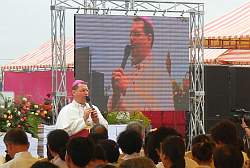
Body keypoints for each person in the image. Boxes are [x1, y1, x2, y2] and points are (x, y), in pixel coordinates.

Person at [109, 16, 174, 112]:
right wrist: (116, 94)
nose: (131, 38)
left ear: (149, 38)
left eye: (137, 34)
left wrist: (127, 89)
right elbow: (115, 113)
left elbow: (162, 112)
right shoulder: (127, 71)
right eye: (130, 34)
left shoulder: (159, 71)